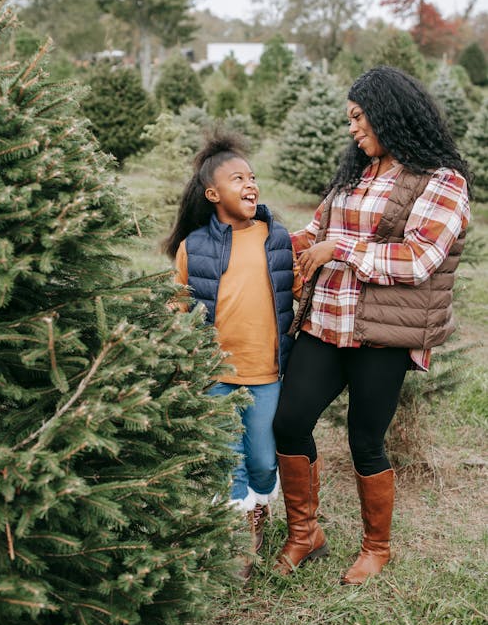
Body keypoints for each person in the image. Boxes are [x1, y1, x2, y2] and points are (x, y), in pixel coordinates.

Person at [272, 65, 471, 583]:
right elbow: (314, 229)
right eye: (349, 119)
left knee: (365, 437)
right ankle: (305, 533)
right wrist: (255, 238)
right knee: (289, 421)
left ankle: (376, 547)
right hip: (325, 321)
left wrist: (339, 248)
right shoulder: (356, 174)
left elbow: (418, 258)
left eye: (359, 118)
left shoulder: (441, 182)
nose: (353, 129)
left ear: (388, 114)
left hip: (380, 332)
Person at [164, 132, 300, 581]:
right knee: (230, 460)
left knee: (263, 458)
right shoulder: (194, 247)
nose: (250, 184)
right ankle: (240, 539)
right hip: (218, 375)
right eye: (237, 177)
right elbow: (178, 305)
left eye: (252, 177)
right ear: (212, 193)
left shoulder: (276, 238)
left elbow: (296, 289)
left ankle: (259, 512)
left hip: (266, 375)